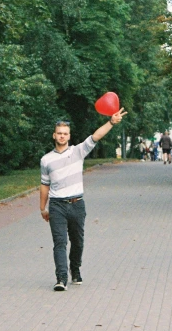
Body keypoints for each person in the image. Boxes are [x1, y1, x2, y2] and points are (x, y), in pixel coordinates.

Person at [40, 108, 127, 291]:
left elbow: (96, 136)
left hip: (77, 204)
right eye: (59, 133)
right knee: (60, 242)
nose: (62, 136)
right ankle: (61, 278)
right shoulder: (46, 160)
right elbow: (44, 185)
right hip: (57, 206)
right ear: (54, 135)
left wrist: (111, 122)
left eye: (65, 133)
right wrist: (43, 208)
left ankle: (75, 269)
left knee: (77, 242)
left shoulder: (78, 152)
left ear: (69, 136)